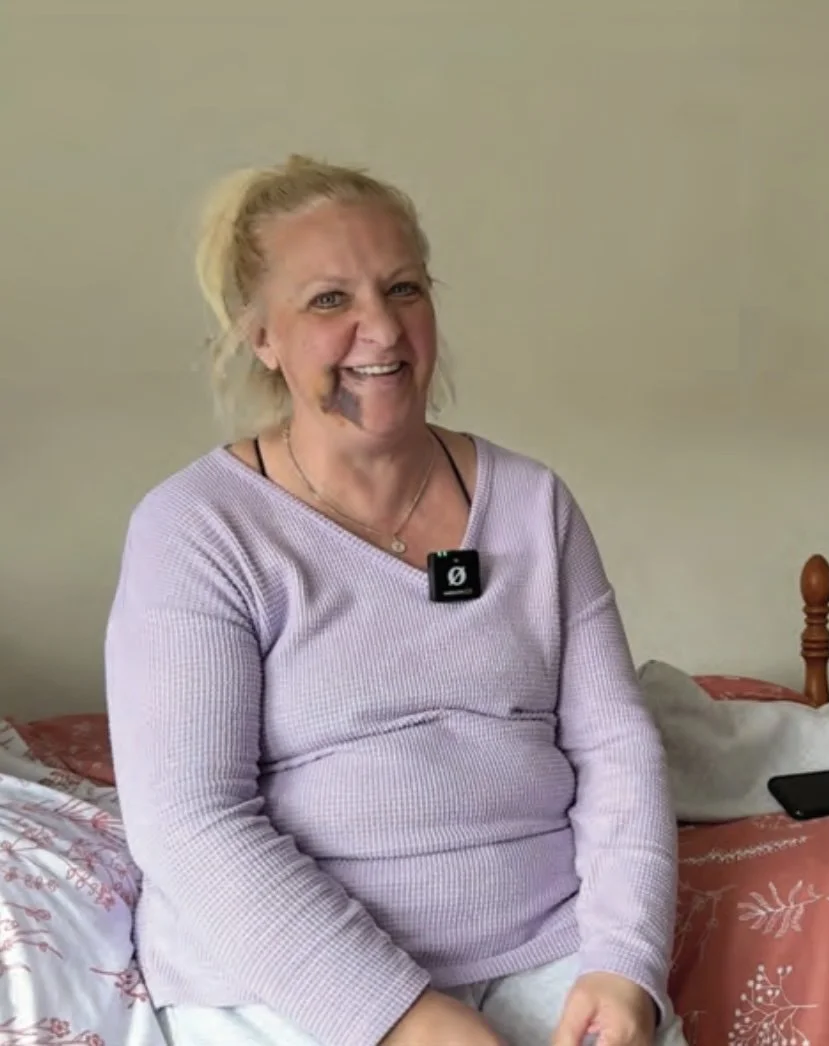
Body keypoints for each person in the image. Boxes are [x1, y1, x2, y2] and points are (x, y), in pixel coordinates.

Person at [103, 155, 685, 1046]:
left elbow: (615, 746)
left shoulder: (532, 504)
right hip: (290, 984)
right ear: (262, 336)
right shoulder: (197, 529)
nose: (382, 329)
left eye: (403, 288)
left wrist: (623, 965)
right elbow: (192, 821)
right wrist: (403, 1019)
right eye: (329, 301)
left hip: (548, 951)